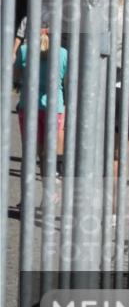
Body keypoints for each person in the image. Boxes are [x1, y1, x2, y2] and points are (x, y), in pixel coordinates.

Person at [11, 24, 68, 217]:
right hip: (54, 109)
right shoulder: (62, 53)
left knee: (30, 155)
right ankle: (48, 196)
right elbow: (67, 82)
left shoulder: (25, 51)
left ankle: (26, 200)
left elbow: (16, 76)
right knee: (47, 155)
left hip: (29, 107)